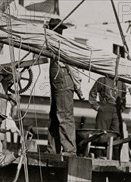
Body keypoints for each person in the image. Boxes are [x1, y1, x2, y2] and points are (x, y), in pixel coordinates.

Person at [47, 18, 84, 156]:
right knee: (55, 116)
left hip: (63, 80)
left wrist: (78, 87)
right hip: (58, 81)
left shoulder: (61, 45)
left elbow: (73, 67)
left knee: (63, 115)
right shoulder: (52, 44)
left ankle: (69, 149)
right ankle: (53, 149)